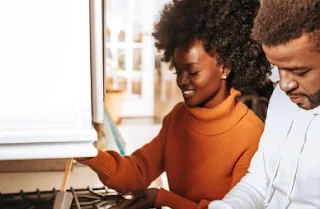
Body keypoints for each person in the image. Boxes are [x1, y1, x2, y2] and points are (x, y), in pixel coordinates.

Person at [78, 0, 270, 208]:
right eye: (178, 72)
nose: (181, 80)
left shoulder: (251, 134)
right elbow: (137, 172)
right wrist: (90, 153)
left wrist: (164, 199)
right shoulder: (178, 118)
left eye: (192, 71)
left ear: (225, 67)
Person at [209, 0, 320, 208]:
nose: (285, 84)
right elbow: (260, 182)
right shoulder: (281, 99)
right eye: (277, 67)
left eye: (300, 71)